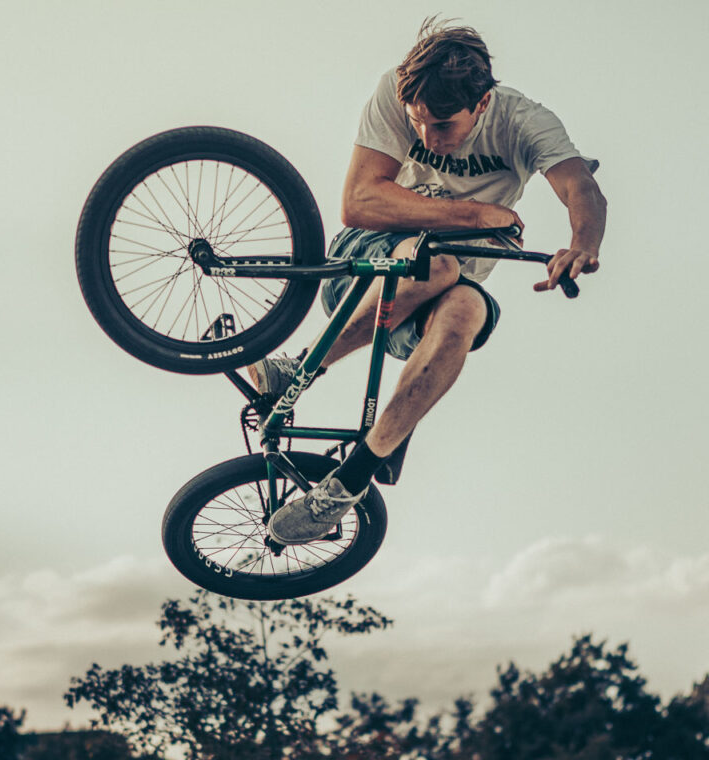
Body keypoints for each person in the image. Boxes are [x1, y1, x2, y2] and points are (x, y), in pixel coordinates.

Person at [250, 18, 606, 546]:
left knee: (465, 307)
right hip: (363, 269)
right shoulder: (396, 91)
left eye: (443, 126)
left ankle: (348, 484)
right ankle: (300, 368)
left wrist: (582, 246)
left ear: (482, 104)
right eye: (419, 122)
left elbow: (581, 187)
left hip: (431, 304)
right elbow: (360, 202)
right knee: (436, 263)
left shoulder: (525, 122)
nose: (427, 138)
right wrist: (476, 214)